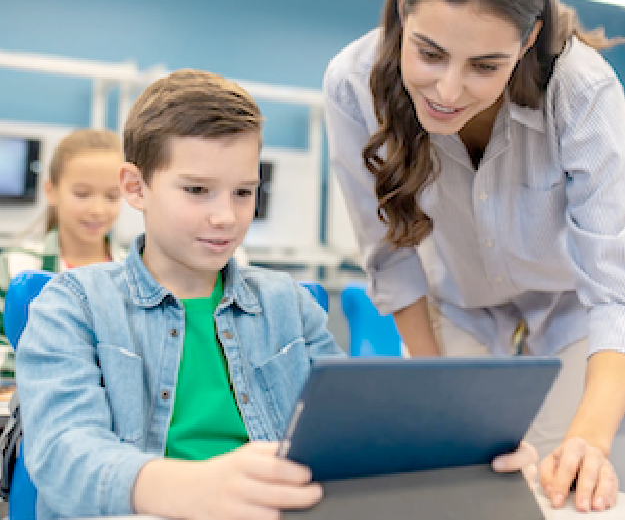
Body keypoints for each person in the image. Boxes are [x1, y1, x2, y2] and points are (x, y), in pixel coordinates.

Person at [16, 69, 535, 519]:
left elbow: (350, 434)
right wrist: (192, 489)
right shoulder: (72, 304)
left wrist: (470, 452)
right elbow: (63, 455)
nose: (226, 216)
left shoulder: (289, 305)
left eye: (243, 192)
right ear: (136, 187)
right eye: (197, 190)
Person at [324, 0, 624, 513]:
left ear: (528, 36)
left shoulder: (583, 91)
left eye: (485, 66)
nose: (448, 89)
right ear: (404, 10)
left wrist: (589, 440)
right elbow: (392, 259)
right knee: (462, 487)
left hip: (570, 312)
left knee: (558, 492)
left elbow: (612, 290)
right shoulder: (353, 83)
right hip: (456, 304)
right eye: (429, 53)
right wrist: (440, 401)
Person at [0, 129, 126, 371]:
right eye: (82, 194)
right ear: (51, 191)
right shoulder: (15, 265)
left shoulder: (136, 270)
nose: (98, 209)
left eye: (112, 196)